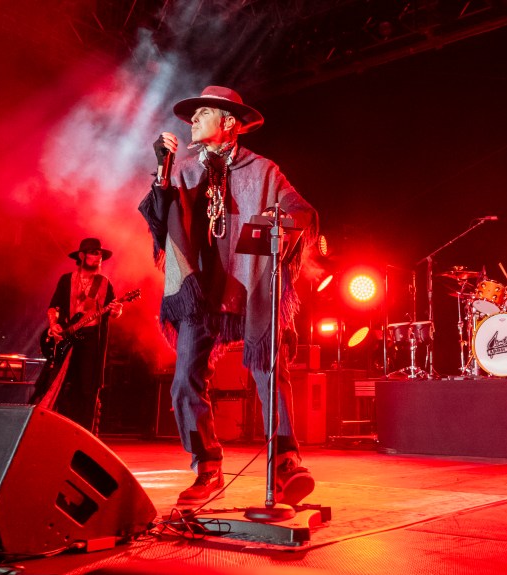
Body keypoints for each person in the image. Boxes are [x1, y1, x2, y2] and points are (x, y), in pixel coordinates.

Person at [138, 86, 319, 507]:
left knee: (269, 367)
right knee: (185, 380)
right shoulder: (180, 169)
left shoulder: (263, 170)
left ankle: (286, 461)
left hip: (248, 284)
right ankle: (207, 465)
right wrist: (161, 171)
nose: (193, 121)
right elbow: (158, 220)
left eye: (202, 114)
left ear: (228, 123)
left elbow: (302, 209)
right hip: (199, 290)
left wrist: (283, 222)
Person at [30, 237, 123, 434]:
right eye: (93, 253)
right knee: (61, 383)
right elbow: (54, 307)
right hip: (68, 337)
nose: (98, 257)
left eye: (100, 254)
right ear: (82, 256)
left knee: (87, 387)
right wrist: (54, 325)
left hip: (91, 340)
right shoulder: (66, 280)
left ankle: (85, 432)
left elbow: (114, 310)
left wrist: (117, 310)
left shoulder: (104, 283)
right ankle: (54, 427)